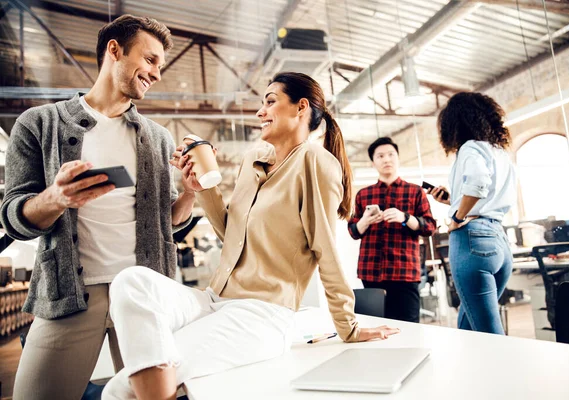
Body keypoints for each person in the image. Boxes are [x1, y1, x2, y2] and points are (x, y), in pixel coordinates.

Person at [103, 72, 399, 400]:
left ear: (300, 108)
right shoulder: (253, 160)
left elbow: (325, 247)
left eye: (270, 102)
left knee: (118, 390)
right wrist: (202, 189)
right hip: (212, 299)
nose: (260, 112)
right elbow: (231, 235)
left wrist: (348, 325)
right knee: (131, 282)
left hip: (262, 313)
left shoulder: (315, 162)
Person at [0, 15, 196, 399]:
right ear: (114, 50)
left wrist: (188, 195)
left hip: (144, 297)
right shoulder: (39, 124)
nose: (157, 73)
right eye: (151, 60)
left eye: (161, 66)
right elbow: (13, 217)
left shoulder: (156, 138)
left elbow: (166, 224)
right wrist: (55, 198)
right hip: (70, 296)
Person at [428, 92, 516, 335]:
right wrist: (453, 201)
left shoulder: (469, 148)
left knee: (489, 333)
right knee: (469, 326)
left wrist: (456, 218)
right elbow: (488, 197)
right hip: (499, 240)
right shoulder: (499, 152)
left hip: (473, 242)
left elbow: (478, 184)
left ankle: (508, 374)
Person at [348, 137, 436, 323]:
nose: (386, 159)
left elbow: (429, 227)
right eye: (380, 156)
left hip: (404, 271)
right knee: (374, 327)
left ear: (398, 158)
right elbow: (353, 231)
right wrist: (365, 220)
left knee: (408, 329)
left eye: (390, 155)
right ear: (373, 162)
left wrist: (405, 218)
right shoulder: (363, 194)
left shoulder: (415, 192)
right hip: (371, 272)